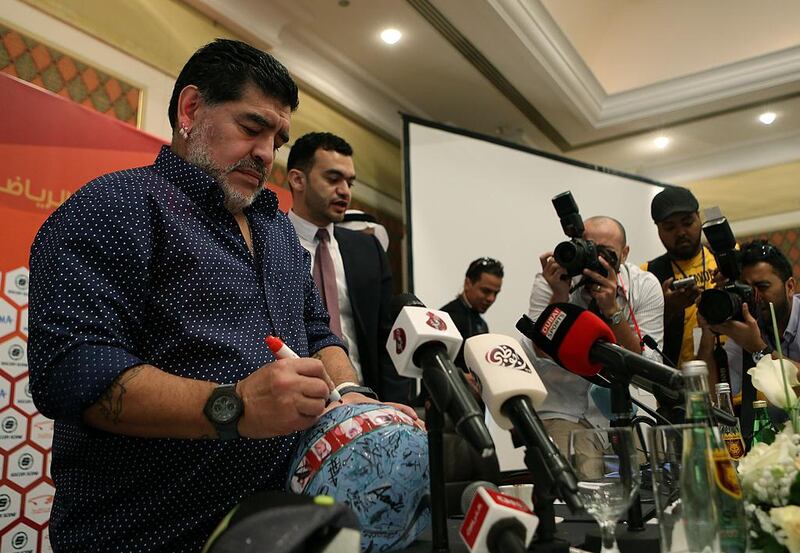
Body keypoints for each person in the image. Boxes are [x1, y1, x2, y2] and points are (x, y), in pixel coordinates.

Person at [27, 39, 414, 552]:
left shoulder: (276, 228)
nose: (265, 153)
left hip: (281, 527)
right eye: (251, 128)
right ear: (190, 110)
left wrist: (355, 403)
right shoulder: (114, 206)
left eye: (277, 139)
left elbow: (316, 330)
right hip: (148, 536)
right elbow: (73, 371)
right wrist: (235, 406)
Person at [286, 132, 414, 404]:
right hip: (294, 406)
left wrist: (393, 406)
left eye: (349, 182)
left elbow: (388, 339)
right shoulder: (269, 242)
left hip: (366, 401)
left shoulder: (368, 251)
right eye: (333, 179)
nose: (345, 191)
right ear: (298, 180)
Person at [528, 216, 664, 457]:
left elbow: (648, 365)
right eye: (590, 250)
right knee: (584, 473)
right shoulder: (553, 279)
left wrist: (613, 310)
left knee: (646, 472)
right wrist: (559, 296)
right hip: (563, 407)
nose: (597, 261)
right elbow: (540, 353)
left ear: (624, 254)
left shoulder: (644, 286)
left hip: (623, 406)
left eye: (607, 253)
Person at [699, 240, 799, 435]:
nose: (755, 296)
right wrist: (709, 333)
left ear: (789, 287)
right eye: (746, 289)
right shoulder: (748, 325)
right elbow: (716, 397)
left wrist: (759, 349)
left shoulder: (751, 337)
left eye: (762, 287)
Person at [643, 186, 718, 367]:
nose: (681, 233)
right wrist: (666, 309)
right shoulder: (647, 275)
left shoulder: (727, 258)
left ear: (699, 218)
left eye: (687, 222)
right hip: (679, 382)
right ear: (658, 229)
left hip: (739, 377)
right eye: (670, 227)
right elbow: (640, 338)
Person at [440, 257, 504, 371]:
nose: (491, 298)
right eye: (486, 291)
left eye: (496, 293)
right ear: (468, 283)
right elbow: (433, 370)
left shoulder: (482, 324)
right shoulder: (445, 320)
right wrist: (461, 378)